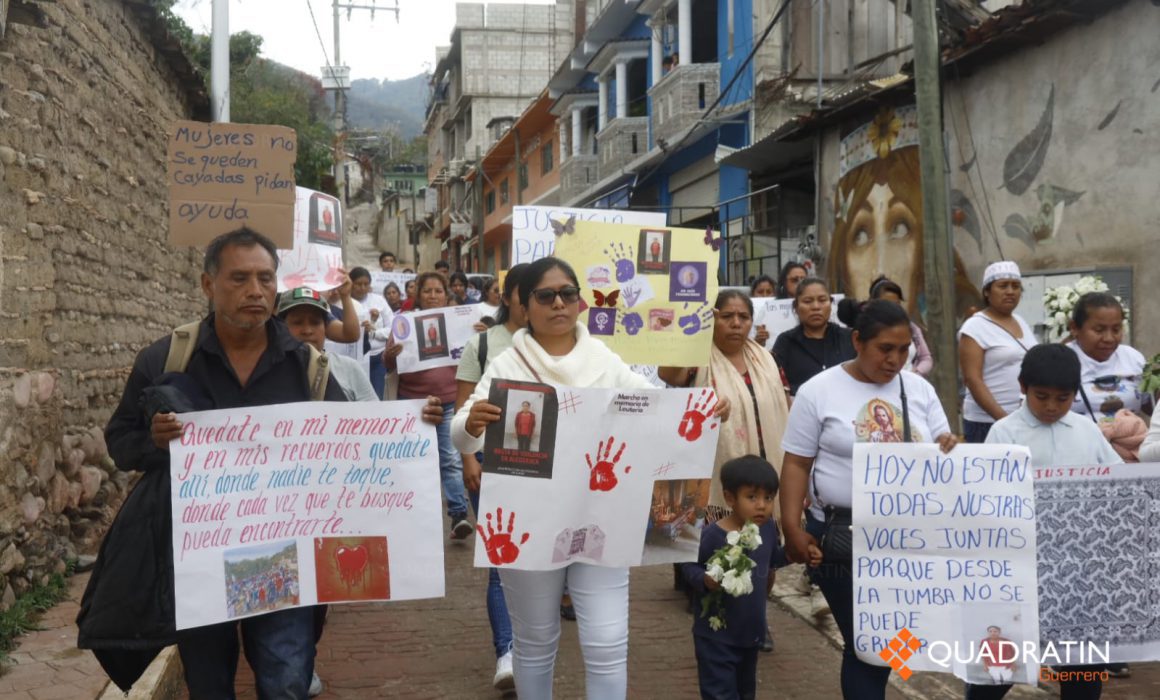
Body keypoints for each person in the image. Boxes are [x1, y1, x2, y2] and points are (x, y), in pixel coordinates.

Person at [453, 256, 730, 699]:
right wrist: (472, 425)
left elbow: (655, 407)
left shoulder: (605, 359)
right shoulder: (507, 364)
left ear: (580, 301)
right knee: (536, 642)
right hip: (530, 523)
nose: (559, 303)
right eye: (547, 295)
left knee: (607, 642)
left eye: (568, 293)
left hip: (601, 517)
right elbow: (462, 433)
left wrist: (699, 410)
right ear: (525, 305)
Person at [98, 228, 349, 697]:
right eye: (239, 278)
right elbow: (120, 441)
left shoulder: (308, 368)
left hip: (284, 558)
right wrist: (156, 443)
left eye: (266, 279)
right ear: (207, 285)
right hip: (199, 560)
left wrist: (417, 425)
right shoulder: (166, 359)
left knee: (287, 680)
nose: (256, 291)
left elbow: (351, 445)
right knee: (210, 685)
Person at [779, 300, 958, 700]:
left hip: (911, 541)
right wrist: (793, 528)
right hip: (842, 540)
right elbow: (795, 464)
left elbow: (943, 452)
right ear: (857, 341)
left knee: (899, 641)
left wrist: (950, 446)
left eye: (903, 349)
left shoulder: (920, 389)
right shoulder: (818, 392)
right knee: (868, 644)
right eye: (884, 349)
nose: (895, 359)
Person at [965, 344, 1121, 700]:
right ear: (1023, 387)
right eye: (1042, 397)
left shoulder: (1086, 430)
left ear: (1075, 393)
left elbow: (1119, 483)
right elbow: (985, 498)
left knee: (1082, 667)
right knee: (998, 667)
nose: (1051, 406)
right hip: (1021, 574)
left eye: (1062, 398)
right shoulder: (1004, 434)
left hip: (1079, 576)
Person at [455, 263, 529, 691]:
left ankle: (534, 641)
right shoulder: (482, 345)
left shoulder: (561, 347)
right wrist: (469, 461)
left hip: (546, 473)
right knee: (501, 562)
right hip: (492, 467)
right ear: (510, 297)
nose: (545, 302)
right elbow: (462, 412)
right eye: (531, 293)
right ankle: (507, 650)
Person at [683, 456, 783, 700]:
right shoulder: (712, 535)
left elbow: (774, 559)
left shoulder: (768, 528)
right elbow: (688, 564)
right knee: (720, 694)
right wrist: (704, 580)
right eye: (752, 497)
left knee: (746, 692)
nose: (761, 505)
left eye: (768, 498)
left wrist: (800, 552)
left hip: (750, 633)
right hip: (716, 637)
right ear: (730, 498)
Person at [384, 272, 473, 539]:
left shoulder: (461, 322)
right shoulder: (403, 324)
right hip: (412, 404)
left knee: (450, 459)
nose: (433, 296)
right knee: (414, 461)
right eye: (427, 291)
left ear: (447, 295)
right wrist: (390, 356)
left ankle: (459, 515)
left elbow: (476, 357)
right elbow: (388, 365)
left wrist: (480, 334)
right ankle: (416, 516)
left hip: (449, 402)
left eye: (438, 291)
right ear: (417, 295)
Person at [959, 262, 1038, 443]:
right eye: (1003, 286)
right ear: (987, 292)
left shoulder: (1021, 321)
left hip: (1023, 418)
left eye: (1016, 286)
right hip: (987, 422)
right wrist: (1003, 420)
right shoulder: (974, 326)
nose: (1010, 291)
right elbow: (973, 379)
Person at [279, 287, 377, 402]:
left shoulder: (350, 368)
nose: (307, 330)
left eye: (315, 322)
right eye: (297, 322)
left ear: (325, 328)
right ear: (281, 327)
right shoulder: (269, 372)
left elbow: (375, 415)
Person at [773, 277, 856, 396]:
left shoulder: (848, 338)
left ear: (831, 303)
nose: (816, 307)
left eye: (822, 300)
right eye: (807, 301)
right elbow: (777, 384)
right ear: (796, 306)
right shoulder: (786, 342)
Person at [865, 275, 933, 376]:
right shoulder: (866, 330)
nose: (892, 309)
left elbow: (926, 358)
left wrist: (915, 374)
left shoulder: (911, 328)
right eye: (886, 304)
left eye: (896, 304)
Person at [350, 266, 394, 398]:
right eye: (358, 284)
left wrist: (374, 332)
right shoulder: (344, 303)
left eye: (366, 284)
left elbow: (392, 328)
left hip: (377, 358)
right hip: (353, 359)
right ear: (351, 284)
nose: (362, 288)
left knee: (376, 396)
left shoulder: (378, 300)